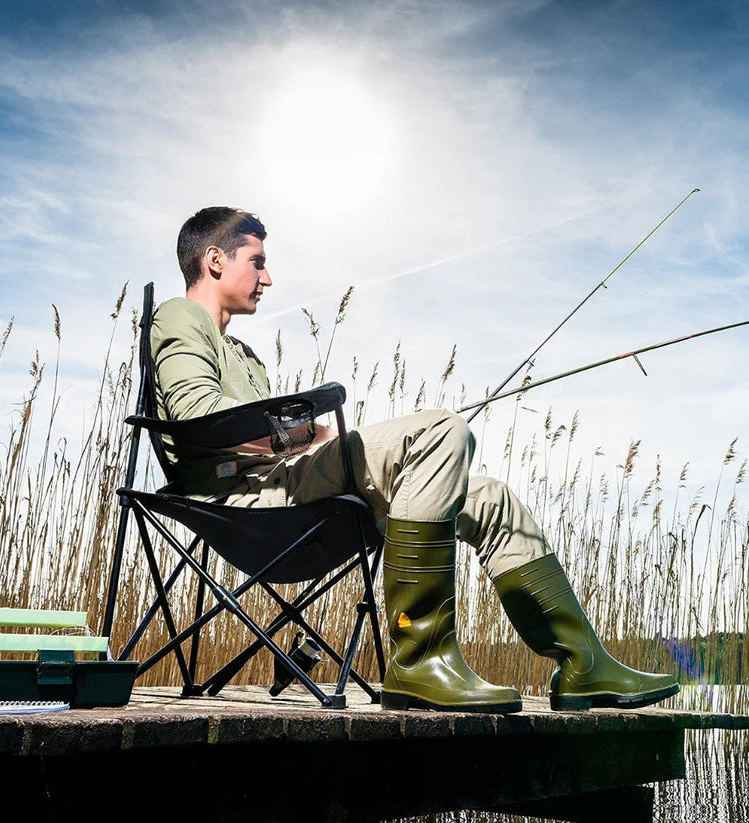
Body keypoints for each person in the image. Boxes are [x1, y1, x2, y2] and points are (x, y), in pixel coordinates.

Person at [151, 205, 680, 713]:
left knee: (490, 498)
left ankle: (583, 665)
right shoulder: (179, 316)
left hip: (292, 485)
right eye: (257, 262)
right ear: (215, 260)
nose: (267, 278)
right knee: (442, 430)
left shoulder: (244, 355)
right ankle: (421, 660)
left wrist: (306, 435)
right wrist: (301, 433)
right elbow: (199, 416)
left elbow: (256, 430)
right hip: (245, 500)